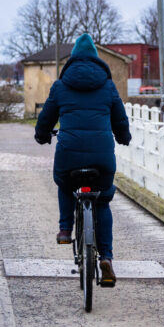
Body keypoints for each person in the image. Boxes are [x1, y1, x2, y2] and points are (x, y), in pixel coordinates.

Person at [34, 34, 131, 286]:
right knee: (103, 199)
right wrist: (124, 137)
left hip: (69, 151)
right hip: (102, 155)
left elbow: (46, 118)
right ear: (97, 60)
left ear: (72, 59)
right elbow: (120, 120)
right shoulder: (108, 86)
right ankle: (106, 258)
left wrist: (42, 136)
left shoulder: (61, 85)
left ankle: (66, 229)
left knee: (64, 182)